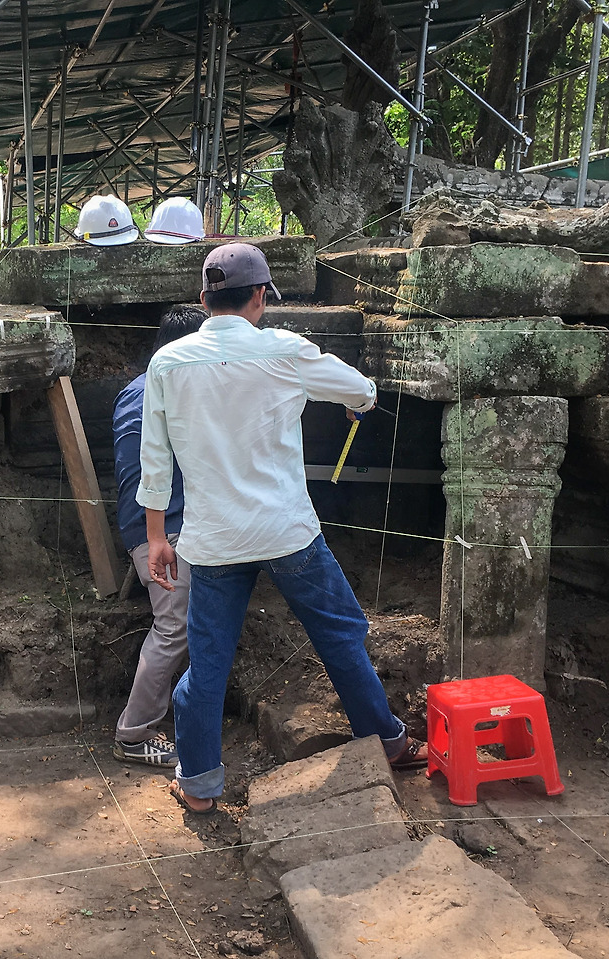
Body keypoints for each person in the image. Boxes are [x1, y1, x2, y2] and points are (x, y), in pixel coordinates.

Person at [137, 243, 427, 815]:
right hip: (287, 532)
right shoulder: (285, 350)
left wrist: (156, 537)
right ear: (261, 296)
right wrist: (358, 403)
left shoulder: (167, 363)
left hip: (214, 541)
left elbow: (155, 460)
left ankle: (198, 785)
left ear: (203, 299)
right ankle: (390, 743)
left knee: (208, 662)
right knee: (341, 635)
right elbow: (361, 390)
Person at [112, 305, 207, 768]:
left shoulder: (137, 389)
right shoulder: (163, 393)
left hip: (154, 524)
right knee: (174, 625)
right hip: (162, 528)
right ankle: (133, 734)